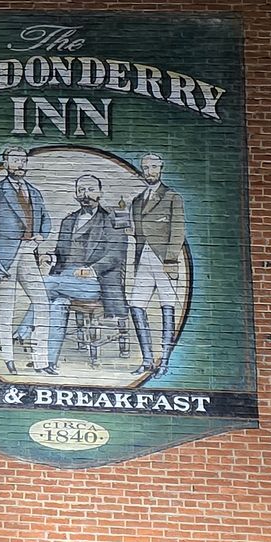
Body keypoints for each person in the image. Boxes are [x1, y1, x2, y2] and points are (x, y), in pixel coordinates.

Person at [38, 175, 129, 373]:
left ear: (100, 193)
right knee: (57, 304)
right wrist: (50, 257)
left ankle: (24, 329)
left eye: (90, 189)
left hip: (96, 282)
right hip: (66, 280)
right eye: (81, 190)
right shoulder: (68, 221)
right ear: (76, 194)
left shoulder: (114, 217)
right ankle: (49, 362)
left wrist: (92, 269)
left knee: (44, 285)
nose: (85, 194)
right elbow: (60, 253)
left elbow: (117, 252)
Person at [0, 146, 50, 374]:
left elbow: (45, 219)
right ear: (5, 164)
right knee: (6, 308)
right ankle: (9, 359)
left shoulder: (34, 192)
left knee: (42, 302)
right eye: (15, 161)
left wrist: (41, 235)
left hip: (28, 253)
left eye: (23, 161)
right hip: (3, 255)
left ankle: (41, 361)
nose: (20, 165)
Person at [128, 152, 186, 375]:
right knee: (136, 305)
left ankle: (165, 362)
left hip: (163, 260)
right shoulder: (137, 200)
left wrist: (171, 259)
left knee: (167, 306)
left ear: (161, 169)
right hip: (143, 259)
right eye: (146, 168)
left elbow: (178, 230)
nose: (149, 171)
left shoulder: (172, 197)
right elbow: (138, 232)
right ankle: (147, 360)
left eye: (153, 167)